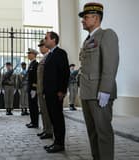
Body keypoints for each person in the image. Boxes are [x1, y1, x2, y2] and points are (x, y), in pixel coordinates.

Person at [78, 3, 119, 160]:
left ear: (96, 18)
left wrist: (105, 90)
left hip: (99, 93)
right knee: (92, 132)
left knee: (103, 133)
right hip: (88, 93)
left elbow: (111, 63)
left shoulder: (107, 34)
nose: (83, 20)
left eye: (86, 17)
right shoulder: (88, 40)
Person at [42, 31, 70, 153]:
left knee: (57, 118)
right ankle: (56, 141)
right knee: (53, 118)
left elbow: (65, 73)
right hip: (49, 92)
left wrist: (62, 90)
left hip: (56, 92)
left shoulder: (60, 53)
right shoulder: (50, 54)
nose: (44, 40)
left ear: (53, 40)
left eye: (46, 38)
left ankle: (60, 144)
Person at [37, 39, 53, 140]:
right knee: (43, 111)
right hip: (40, 89)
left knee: (47, 111)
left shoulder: (49, 57)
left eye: (41, 46)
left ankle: (49, 130)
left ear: (46, 47)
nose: (40, 48)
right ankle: (45, 129)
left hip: (45, 89)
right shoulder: (43, 58)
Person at [25, 48, 39, 128]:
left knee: (34, 106)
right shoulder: (31, 64)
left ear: (34, 55)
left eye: (29, 53)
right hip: (29, 88)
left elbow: (35, 78)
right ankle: (32, 121)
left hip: (33, 89)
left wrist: (34, 89)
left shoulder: (35, 64)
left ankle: (35, 123)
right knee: (31, 106)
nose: (28, 55)